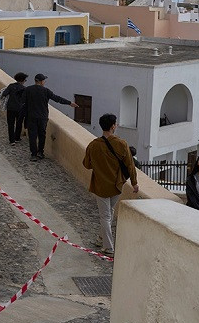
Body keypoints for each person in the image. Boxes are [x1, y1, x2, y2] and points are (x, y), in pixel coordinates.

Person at [83, 113, 139, 256]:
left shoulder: (93, 145)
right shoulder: (121, 144)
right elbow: (130, 165)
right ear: (113, 126)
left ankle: (108, 247)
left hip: (101, 185)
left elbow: (87, 164)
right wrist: (134, 183)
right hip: (117, 184)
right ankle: (101, 239)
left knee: (105, 216)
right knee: (109, 212)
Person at [24, 73, 78, 161]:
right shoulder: (46, 91)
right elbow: (57, 99)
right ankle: (40, 152)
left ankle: (33, 154)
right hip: (42, 117)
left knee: (32, 136)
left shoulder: (28, 89)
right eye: (44, 81)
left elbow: (23, 102)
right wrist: (69, 103)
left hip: (31, 116)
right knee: (42, 135)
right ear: (41, 82)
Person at [1, 72, 28, 145]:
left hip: (11, 108)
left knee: (10, 124)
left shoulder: (11, 86)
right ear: (22, 80)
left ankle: (12, 140)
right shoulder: (24, 89)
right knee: (19, 123)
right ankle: (17, 138)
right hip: (20, 109)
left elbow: (4, 94)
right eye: (25, 80)